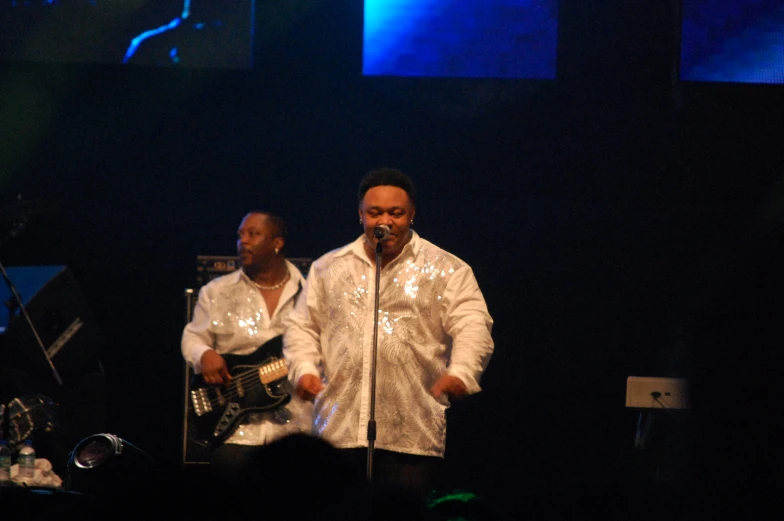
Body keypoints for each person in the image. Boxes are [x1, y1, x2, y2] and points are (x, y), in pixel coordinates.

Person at [282, 168, 495, 501]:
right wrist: (305, 369)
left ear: (411, 215)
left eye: (395, 213)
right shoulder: (329, 267)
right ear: (360, 215)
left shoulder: (448, 268)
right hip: (339, 428)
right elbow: (302, 326)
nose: (385, 220)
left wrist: (462, 372)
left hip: (411, 430)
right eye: (375, 212)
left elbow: (473, 324)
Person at [181, 211, 312, 483]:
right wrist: (203, 354)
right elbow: (192, 337)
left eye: (253, 234)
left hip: (296, 429)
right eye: (240, 235)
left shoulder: (310, 292)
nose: (243, 241)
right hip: (236, 429)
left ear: (277, 243)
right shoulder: (217, 291)